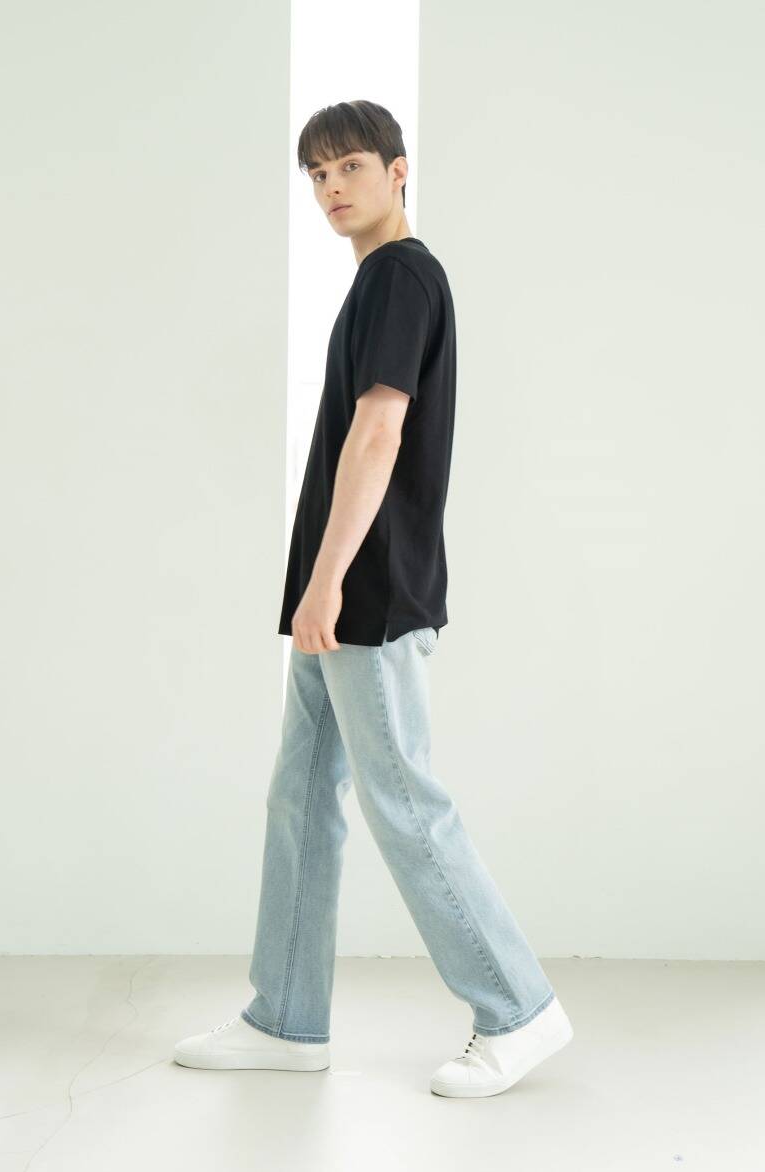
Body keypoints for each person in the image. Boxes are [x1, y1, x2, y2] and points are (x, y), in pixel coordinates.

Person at [174, 100, 573, 1097]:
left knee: (405, 804)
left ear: (398, 170)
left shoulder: (399, 275)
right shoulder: (376, 281)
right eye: (315, 174)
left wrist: (324, 582)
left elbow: (379, 432)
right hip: (346, 592)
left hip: (368, 592)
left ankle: (519, 1009)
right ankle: (285, 1018)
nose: (330, 187)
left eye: (348, 165)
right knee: (303, 798)